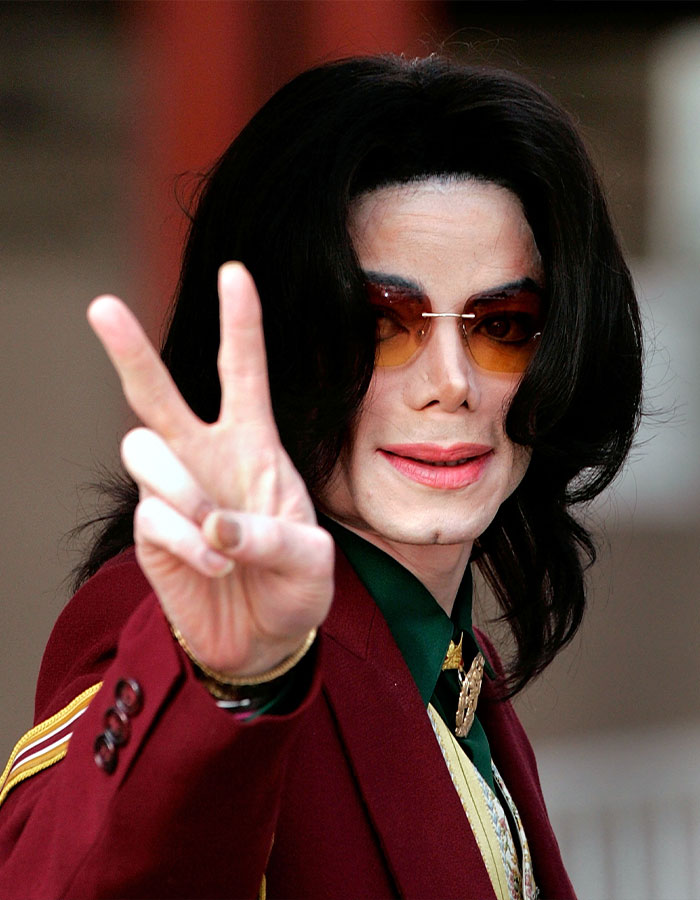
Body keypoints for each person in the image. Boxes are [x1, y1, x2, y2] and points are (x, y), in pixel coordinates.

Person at [0, 53, 642, 899]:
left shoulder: (458, 668)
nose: (450, 381)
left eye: (503, 324)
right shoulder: (192, 637)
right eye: (378, 323)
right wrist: (222, 686)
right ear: (273, 349)